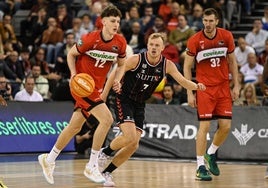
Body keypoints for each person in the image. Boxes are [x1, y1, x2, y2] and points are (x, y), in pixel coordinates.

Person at [98, 32, 206, 187]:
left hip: (140, 103)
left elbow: (182, 81)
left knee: (134, 145)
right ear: (147, 45)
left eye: (157, 45)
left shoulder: (167, 65)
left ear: (162, 48)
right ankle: (105, 152)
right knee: (128, 136)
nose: (154, 48)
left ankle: (107, 172)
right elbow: (117, 71)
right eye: (151, 44)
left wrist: (196, 86)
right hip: (125, 99)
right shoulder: (136, 59)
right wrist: (109, 89)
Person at [38, 5, 127, 185]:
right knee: (107, 120)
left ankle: (49, 159)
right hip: (82, 86)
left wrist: (118, 78)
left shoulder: (120, 42)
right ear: (103, 21)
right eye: (112, 20)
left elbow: (122, 63)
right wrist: (73, 75)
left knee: (74, 127)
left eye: (118, 21)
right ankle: (92, 165)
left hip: (97, 88)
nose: (116, 24)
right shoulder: (89, 39)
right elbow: (71, 55)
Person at [183, 8, 239, 181]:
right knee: (205, 127)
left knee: (226, 126)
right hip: (204, 88)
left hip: (223, 87)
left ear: (217, 21)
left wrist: (236, 85)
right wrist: (190, 91)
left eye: (210, 21)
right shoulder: (194, 40)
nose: (207, 24)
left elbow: (232, 61)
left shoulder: (226, 36)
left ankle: (211, 153)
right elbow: (186, 67)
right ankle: (200, 166)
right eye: (205, 21)